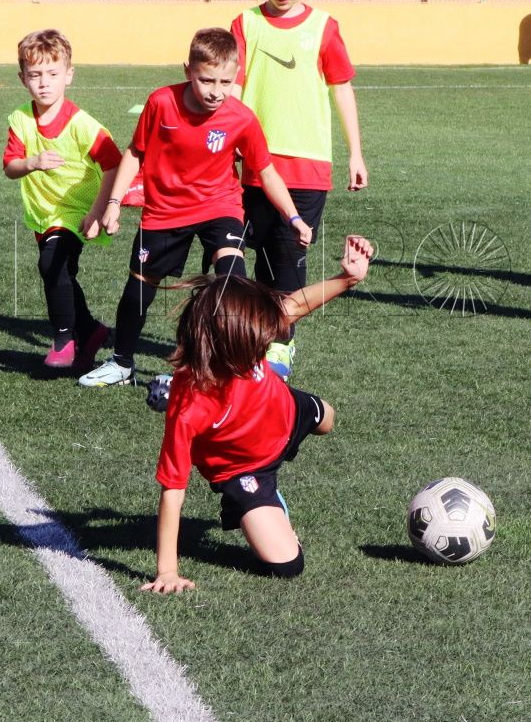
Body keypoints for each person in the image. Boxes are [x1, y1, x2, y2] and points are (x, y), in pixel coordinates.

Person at [77, 28, 313, 388]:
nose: (216, 91)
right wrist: (112, 204)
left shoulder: (242, 118)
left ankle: (239, 364)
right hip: (165, 211)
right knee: (140, 288)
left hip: (220, 205)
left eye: (225, 81)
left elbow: (265, 170)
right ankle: (122, 363)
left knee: (233, 284)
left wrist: (293, 216)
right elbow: (135, 153)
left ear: (236, 75)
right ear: (188, 70)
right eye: (206, 80)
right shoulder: (161, 103)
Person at [142, 234, 372, 592]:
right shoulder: (189, 408)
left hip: (285, 409)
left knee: (329, 419)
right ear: (230, 346)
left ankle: (302, 402)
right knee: (287, 565)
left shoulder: (242, 333)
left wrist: (349, 278)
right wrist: (167, 571)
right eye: (262, 341)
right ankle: (265, 503)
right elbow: (173, 490)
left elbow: (292, 307)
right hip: (244, 469)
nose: (268, 339)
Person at [230, 0, 365, 377]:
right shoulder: (245, 24)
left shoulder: (324, 28)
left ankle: (279, 354)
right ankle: (236, 343)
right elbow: (232, 90)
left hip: (307, 172)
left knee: (287, 274)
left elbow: (341, 88)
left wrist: (355, 153)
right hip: (249, 170)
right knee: (234, 268)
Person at [3, 29, 119, 369]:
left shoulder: (84, 125)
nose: (44, 83)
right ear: (22, 77)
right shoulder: (21, 119)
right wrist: (31, 163)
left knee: (50, 265)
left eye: (53, 74)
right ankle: (92, 331)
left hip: (76, 210)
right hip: (43, 213)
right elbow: (10, 167)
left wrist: (101, 210)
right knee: (60, 274)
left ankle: (64, 339)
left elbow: (114, 165)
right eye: (35, 75)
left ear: (69, 75)